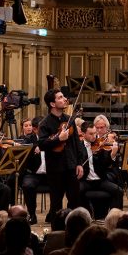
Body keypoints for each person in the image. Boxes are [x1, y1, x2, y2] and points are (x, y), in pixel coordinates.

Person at [37, 89, 83, 221]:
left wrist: (79, 163)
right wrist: (58, 139)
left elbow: (76, 143)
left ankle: (74, 227)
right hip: (55, 168)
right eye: (60, 97)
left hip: (71, 166)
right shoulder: (44, 123)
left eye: (63, 97)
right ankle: (56, 229)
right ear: (52, 104)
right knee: (56, 202)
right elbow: (42, 144)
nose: (64, 99)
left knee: (74, 200)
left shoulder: (70, 120)